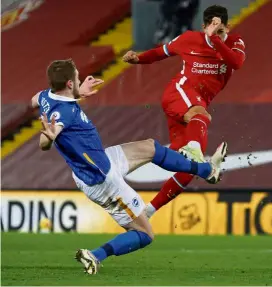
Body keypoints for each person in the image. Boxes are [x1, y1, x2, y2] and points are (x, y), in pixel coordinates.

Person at [32, 59, 227, 274]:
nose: (80, 80)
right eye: (77, 78)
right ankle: (95, 255)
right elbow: (47, 139)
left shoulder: (44, 96)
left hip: (103, 160)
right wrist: (49, 138)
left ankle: (207, 171)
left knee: (150, 148)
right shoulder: (64, 114)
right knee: (145, 234)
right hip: (102, 179)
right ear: (69, 83)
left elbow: (34, 101)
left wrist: (77, 94)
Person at [123, 5, 246, 218]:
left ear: (228, 26)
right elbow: (160, 52)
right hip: (179, 93)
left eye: (221, 29)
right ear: (204, 26)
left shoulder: (235, 42)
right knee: (201, 116)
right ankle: (197, 152)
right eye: (212, 28)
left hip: (193, 106)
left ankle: (147, 212)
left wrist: (216, 39)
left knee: (187, 169)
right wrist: (138, 59)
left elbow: (236, 63)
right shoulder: (189, 38)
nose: (217, 33)